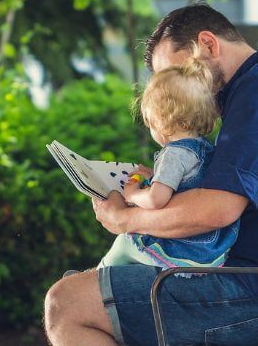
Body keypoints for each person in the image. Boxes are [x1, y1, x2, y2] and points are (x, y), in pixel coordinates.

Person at [44, 2, 258, 346]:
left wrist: (124, 220)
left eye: (177, 74)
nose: (175, 90)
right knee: (88, 287)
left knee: (68, 303)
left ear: (209, 44)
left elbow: (216, 210)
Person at [98, 43, 239, 270]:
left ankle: (97, 275)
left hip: (185, 249)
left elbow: (156, 200)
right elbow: (180, 184)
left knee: (125, 242)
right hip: (210, 248)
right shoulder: (203, 148)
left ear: (162, 122)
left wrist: (133, 194)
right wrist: (154, 175)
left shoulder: (173, 154)